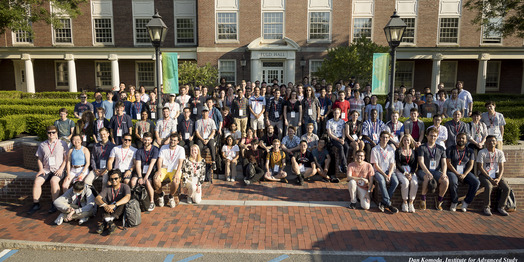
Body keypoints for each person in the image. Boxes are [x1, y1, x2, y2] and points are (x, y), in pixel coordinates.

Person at [27, 125, 69, 215]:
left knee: (54, 181)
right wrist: (41, 169)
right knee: (37, 181)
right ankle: (36, 204)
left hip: (58, 170)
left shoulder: (62, 143)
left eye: (53, 132)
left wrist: (61, 169)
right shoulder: (42, 145)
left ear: (57, 133)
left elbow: (66, 158)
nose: (51, 134)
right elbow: (39, 159)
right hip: (46, 170)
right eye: (49, 133)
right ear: (47, 133)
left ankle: (54, 203)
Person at [477, 135, 511, 216]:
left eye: (493, 141)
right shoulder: (482, 152)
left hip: (496, 174)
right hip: (484, 174)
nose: (491, 143)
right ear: (486, 143)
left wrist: (498, 179)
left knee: (506, 188)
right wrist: (489, 178)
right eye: (489, 141)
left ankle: (501, 207)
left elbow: (501, 167)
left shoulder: (500, 152)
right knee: (489, 186)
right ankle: (486, 207)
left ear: (496, 142)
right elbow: (480, 167)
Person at [446, 132, 480, 212]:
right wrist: (457, 174)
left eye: (463, 138)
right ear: (456, 139)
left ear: (466, 140)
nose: (461, 139)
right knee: (453, 181)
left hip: (465, 172)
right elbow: (448, 163)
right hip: (452, 171)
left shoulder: (470, 151)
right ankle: (454, 202)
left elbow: (471, 164)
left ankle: (466, 202)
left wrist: (464, 174)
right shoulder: (450, 149)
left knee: (476, 182)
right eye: (459, 138)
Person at [416, 127, 448, 211]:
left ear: (437, 137)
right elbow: (421, 162)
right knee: (426, 178)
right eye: (431, 136)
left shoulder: (441, 149)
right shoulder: (422, 147)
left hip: (436, 171)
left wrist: (444, 174)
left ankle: (439, 201)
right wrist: (427, 172)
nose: (433, 137)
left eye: (434, 136)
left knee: (445, 181)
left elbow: (444, 163)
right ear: (427, 136)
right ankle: (422, 200)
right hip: (423, 171)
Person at [154, 133, 186, 208]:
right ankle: (161, 194)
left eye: (175, 140)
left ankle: (171, 196)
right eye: (171, 140)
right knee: (156, 179)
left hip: (175, 169)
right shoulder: (163, 147)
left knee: (176, 181)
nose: (172, 142)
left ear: (178, 141)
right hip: (164, 168)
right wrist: (159, 170)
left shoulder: (181, 149)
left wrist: (177, 173)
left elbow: (180, 162)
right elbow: (159, 160)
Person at [370, 131, 399, 213]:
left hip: (389, 171)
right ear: (380, 138)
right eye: (383, 137)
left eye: (386, 137)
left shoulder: (391, 149)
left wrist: (389, 174)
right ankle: (389, 204)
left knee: (396, 182)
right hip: (378, 171)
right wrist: (385, 175)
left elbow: (392, 163)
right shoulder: (375, 149)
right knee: (382, 181)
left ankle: (384, 202)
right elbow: (376, 165)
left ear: (389, 138)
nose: (385, 139)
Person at [95, 170, 131, 235]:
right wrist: (105, 205)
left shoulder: (125, 187)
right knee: (101, 202)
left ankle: (105, 222)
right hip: (108, 210)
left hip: (118, 212)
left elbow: (127, 198)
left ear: (120, 179)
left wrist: (114, 205)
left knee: (123, 202)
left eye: (116, 178)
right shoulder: (107, 188)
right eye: (111, 179)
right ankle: (110, 223)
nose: (114, 180)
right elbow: (97, 198)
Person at [132, 132, 159, 211]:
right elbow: (137, 164)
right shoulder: (139, 151)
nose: (146, 142)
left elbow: (152, 164)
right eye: (145, 140)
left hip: (150, 171)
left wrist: (145, 177)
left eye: (148, 140)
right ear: (142, 140)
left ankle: (151, 202)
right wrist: (140, 177)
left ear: (151, 140)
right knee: (133, 181)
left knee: (147, 182)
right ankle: (135, 201)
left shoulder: (155, 149)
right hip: (140, 170)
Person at [395, 134, 418, 213]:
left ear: (411, 141)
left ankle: (411, 202)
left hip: (410, 171)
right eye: (404, 140)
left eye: (408, 140)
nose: (406, 142)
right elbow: (397, 164)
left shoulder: (414, 152)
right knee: (405, 183)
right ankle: (405, 202)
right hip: (401, 170)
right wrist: (405, 173)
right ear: (402, 141)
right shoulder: (398, 151)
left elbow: (415, 164)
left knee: (414, 182)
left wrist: (411, 173)